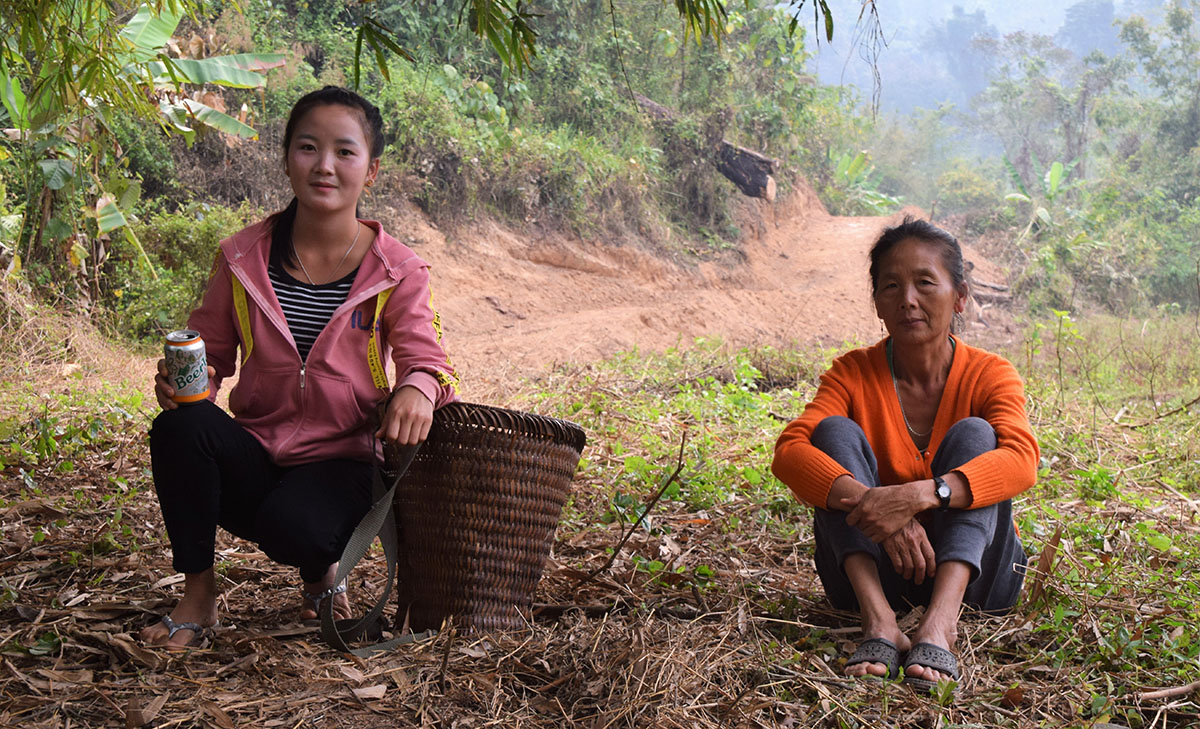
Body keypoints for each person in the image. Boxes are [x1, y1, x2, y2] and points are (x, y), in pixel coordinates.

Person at [140, 86, 459, 649]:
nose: (325, 166)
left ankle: (320, 573)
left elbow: (429, 360)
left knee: (295, 529)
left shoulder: (398, 270)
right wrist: (190, 384)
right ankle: (199, 593)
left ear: (372, 169)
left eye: (345, 151)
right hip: (259, 449)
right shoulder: (242, 257)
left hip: (345, 458)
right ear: (288, 157)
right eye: (309, 148)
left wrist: (417, 387)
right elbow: (211, 354)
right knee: (178, 428)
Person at [771, 216, 1037, 693]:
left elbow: (1021, 461)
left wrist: (923, 495)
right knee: (831, 435)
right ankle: (879, 622)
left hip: (979, 583)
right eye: (891, 285)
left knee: (977, 435)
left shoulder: (991, 374)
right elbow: (789, 452)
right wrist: (877, 506)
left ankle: (941, 624)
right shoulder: (853, 372)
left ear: (959, 297)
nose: (907, 299)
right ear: (877, 303)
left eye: (924, 283)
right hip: (874, 576)